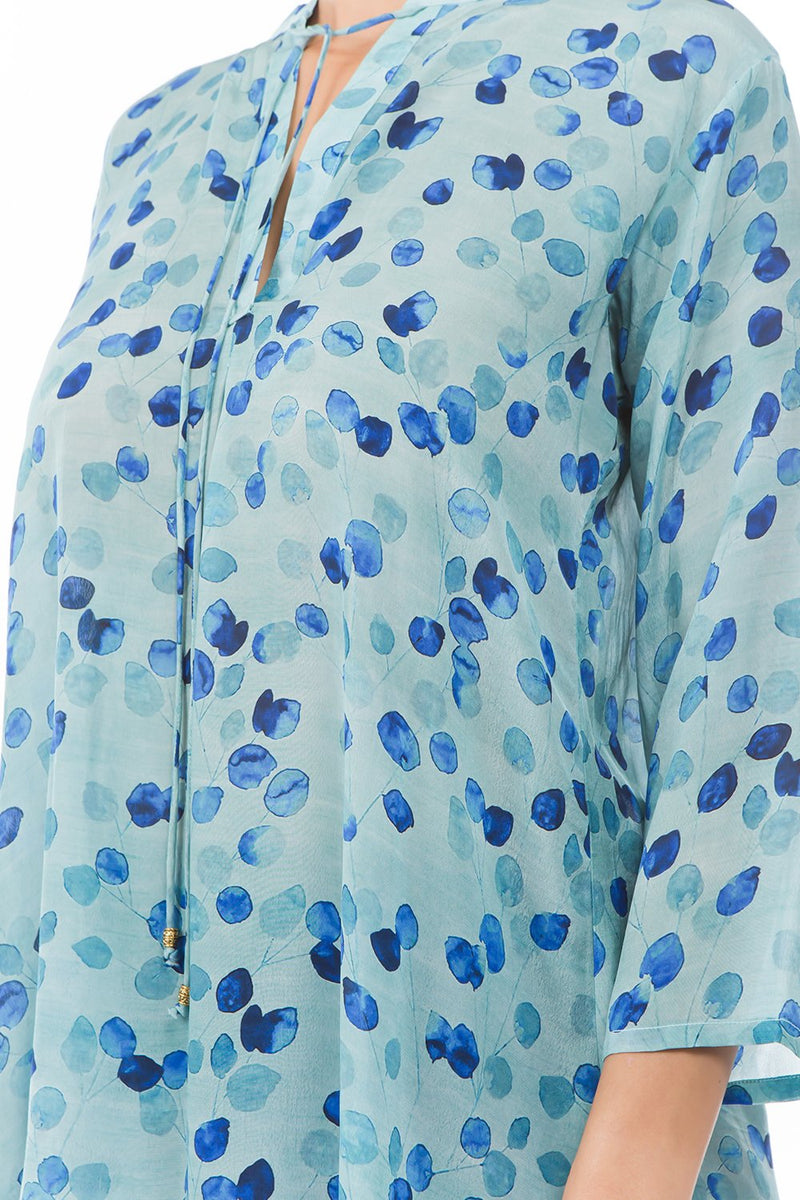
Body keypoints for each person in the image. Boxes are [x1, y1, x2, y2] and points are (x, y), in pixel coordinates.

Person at [1, 0, 799, 1195]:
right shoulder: (158, 139)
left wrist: (630, 1173)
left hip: (496, 1112)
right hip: (103, 1119)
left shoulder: (667, 70)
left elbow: (756, 643)